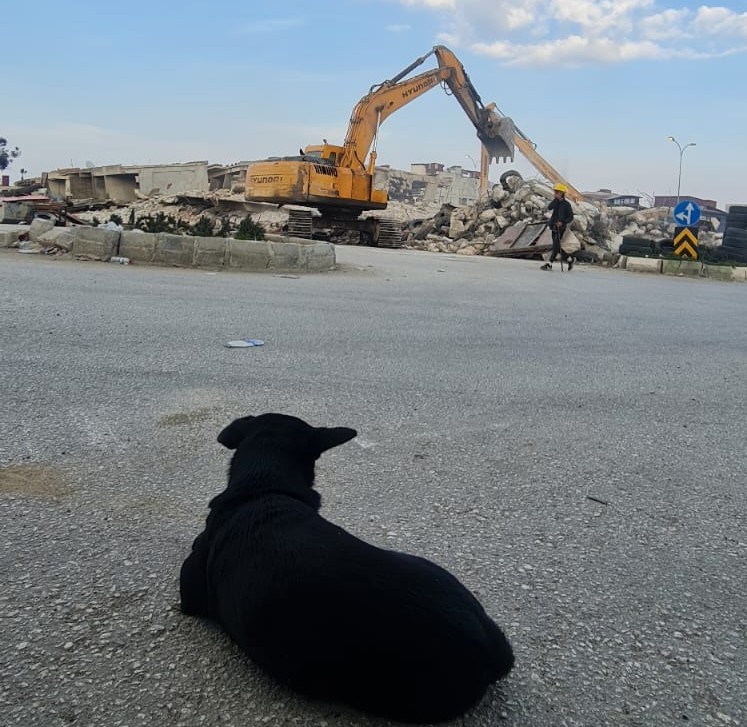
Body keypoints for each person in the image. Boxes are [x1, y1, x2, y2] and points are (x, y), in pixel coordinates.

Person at [541, 183, 575, 271]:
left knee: (556, 246)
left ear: (561, 193)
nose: (555, 193)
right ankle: (569, 259)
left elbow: (570, 217)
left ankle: (549, 263)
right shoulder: (556, 202)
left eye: (557, 192)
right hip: (553, 226)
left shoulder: (566, 205)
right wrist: (555, 200)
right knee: (557, 246)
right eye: (555, 192)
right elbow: (549, 207)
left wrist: (562, 222)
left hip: (561, 228)